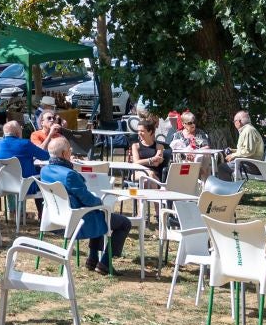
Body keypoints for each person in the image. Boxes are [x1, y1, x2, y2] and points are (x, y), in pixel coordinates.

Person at [41, 136, 132, 275]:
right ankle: (105, 263)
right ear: (65, 154)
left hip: (56, 217)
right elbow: (88, 200)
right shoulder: (70, 174)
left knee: (99, 213)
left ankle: (93, 258)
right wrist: (100, 202)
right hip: (78, 220)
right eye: (70, 151)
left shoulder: (44, 171)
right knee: (123, 222)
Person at [216, 110, 264, 182]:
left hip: (253, 165)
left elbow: (249, 151)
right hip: (251, 163)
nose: (234, 123)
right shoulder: (248, 130)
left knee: (222, 167)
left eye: (234, 121)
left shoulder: (248, 131)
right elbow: (247, 149)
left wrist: (233, 155)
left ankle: (228, 191)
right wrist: (233, 151)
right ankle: (231, 188)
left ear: (238, 121)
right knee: (224, 165)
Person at [129, 114, 171, 186]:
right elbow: (136, 162)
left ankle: (147, 197)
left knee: (147, 179)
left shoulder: (159, 146)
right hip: (137, 173)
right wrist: (152, 159)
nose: (139, 133)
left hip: (155, 173)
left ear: (150, 132)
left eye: (142, 131)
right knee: (149, 176)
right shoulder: (135, 146)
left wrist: (143, 161)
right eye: (138, 131)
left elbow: (157, 163)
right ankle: (155, 196)